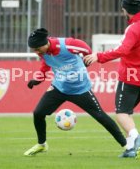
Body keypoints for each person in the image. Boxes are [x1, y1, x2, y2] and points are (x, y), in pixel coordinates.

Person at [24, 28, 133, 157]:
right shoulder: (42, 52)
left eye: (37, 49)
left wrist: (87, 60)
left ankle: (127, 146)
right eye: (34, 50)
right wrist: (38, 79)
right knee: (38, 113)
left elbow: (86, 49)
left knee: (100, 116)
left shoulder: (67, 44)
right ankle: (42, 145)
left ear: (45, 43)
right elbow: (46, 64)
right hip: (59, 88)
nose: (36, 52)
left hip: (80, 89)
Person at [84, 0, 140, 158]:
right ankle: (131, 149)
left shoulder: (133, 28)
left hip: (130, 77)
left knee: (120, 113)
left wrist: (98, 56)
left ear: (124, 9)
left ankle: (136, 138)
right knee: (127, 114)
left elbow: (122, 50)